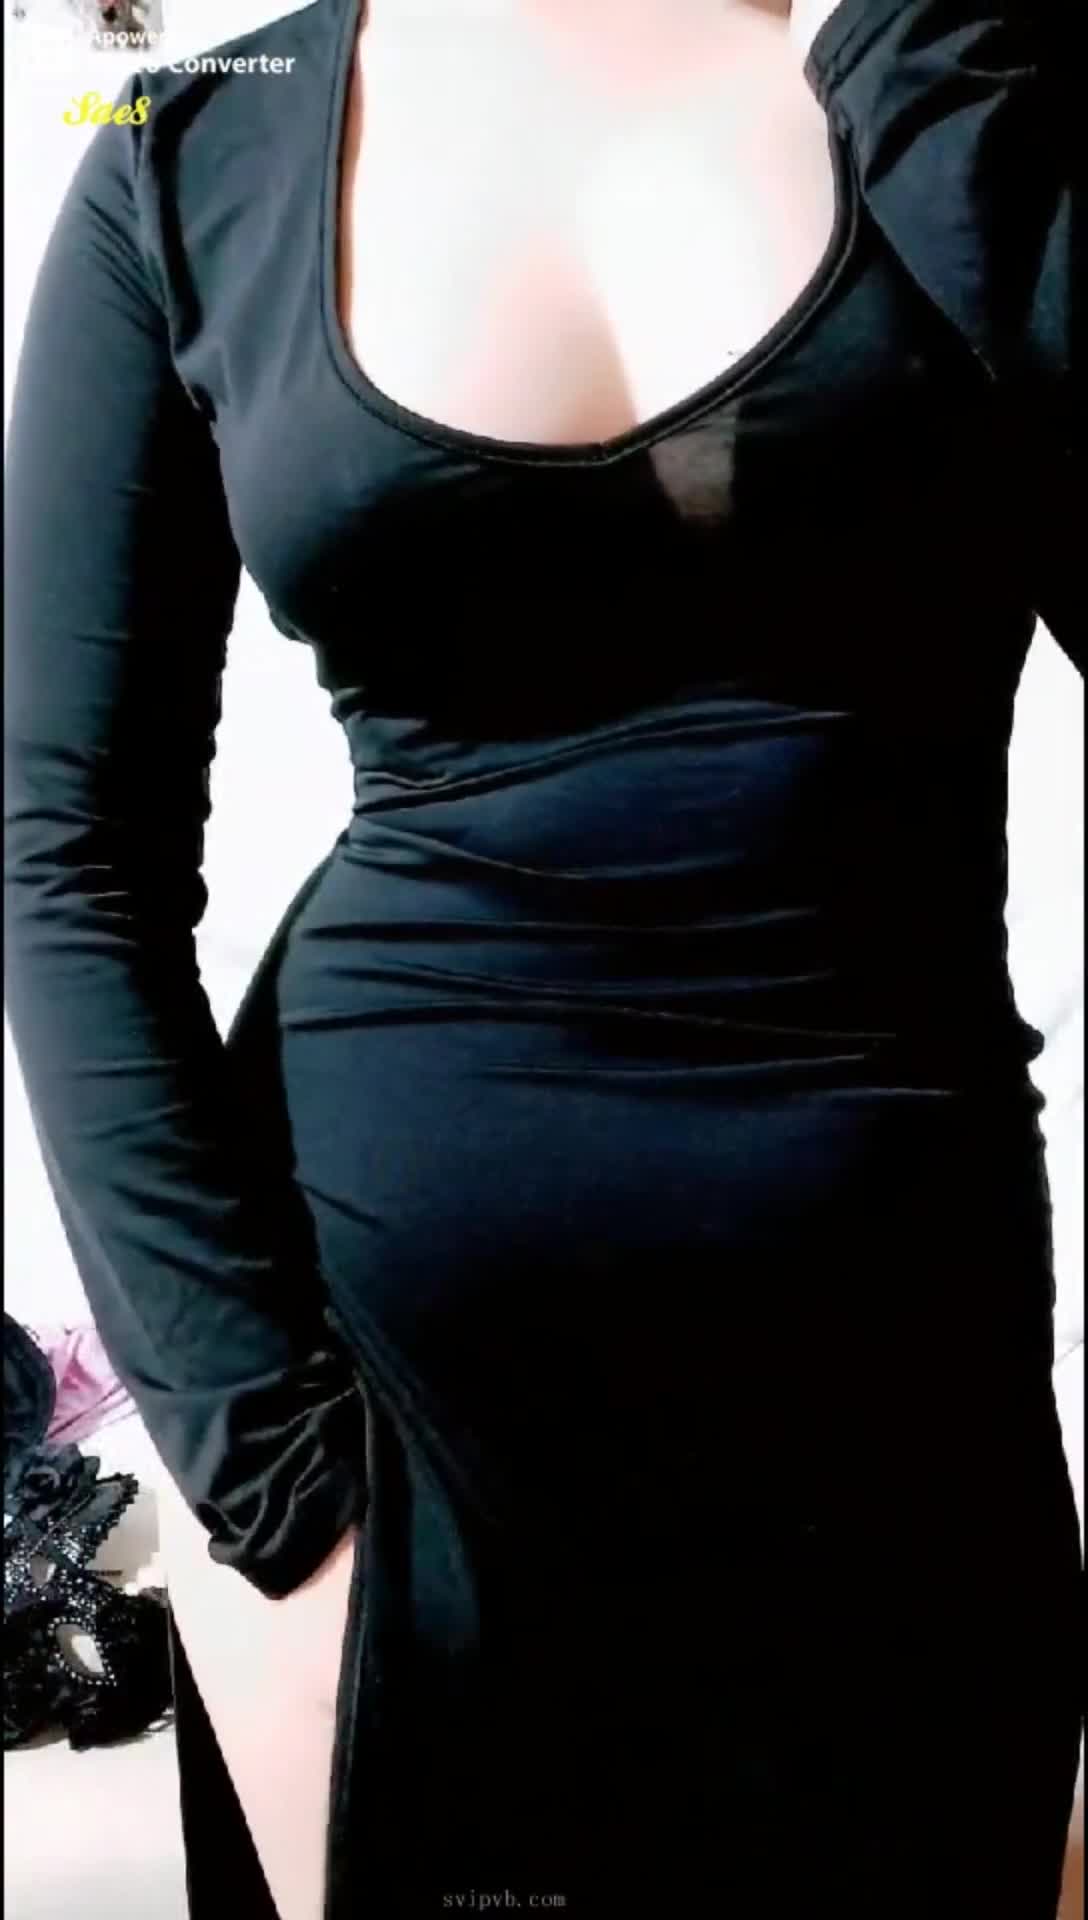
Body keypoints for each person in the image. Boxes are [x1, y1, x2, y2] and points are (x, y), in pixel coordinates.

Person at [3, 0, 1081, 1914]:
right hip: (387, 1397)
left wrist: (945, 82)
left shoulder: (963, 74)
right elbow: (62, 854)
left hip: (898, 1373)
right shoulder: (197, 135)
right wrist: (275, 1490)